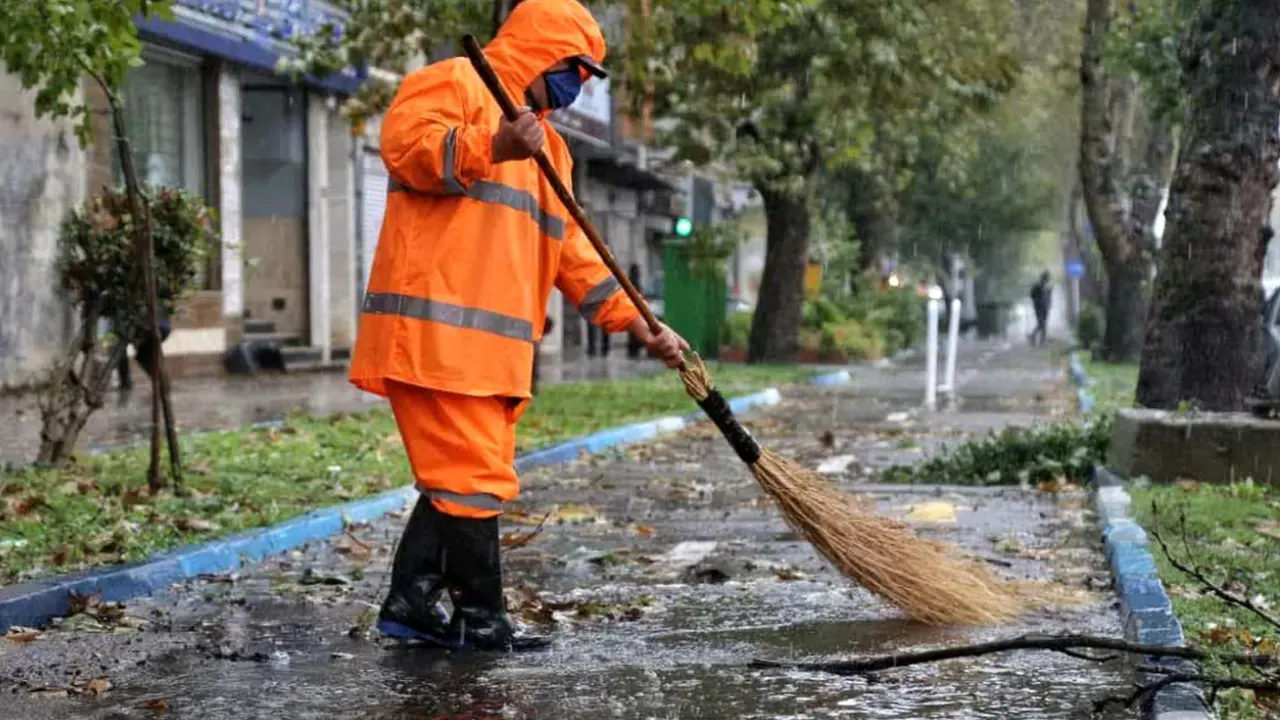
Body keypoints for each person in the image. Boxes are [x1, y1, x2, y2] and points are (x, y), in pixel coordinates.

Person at [347, 0, 688, 653]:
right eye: (573, 70)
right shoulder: (454, 84)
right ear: (543, 51)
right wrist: (492, 144)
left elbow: (575, 254)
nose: (576, 86)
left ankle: (412, 600)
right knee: (474, 481)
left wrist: (642, 323)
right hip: (432, 341)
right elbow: (406, 148)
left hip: (491, 357)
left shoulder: (552, 149)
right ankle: (483, 620)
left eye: (587, 77)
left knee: (462, 477)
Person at [1029, 270, 1052, 347]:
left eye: (1048, 277)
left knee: (1044, 324)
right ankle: (1035, 337)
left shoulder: (1049, 287)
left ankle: (1041, 340)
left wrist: (1049, 305)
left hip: (1045, 307)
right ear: (1043, 277)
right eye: (1046, 277)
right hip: (1038, 307)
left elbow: (1049, 298)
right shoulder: (1037, 286)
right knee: (1041, 324)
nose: (1048, 279)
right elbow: (1032, 295)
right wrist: (1038, 302)